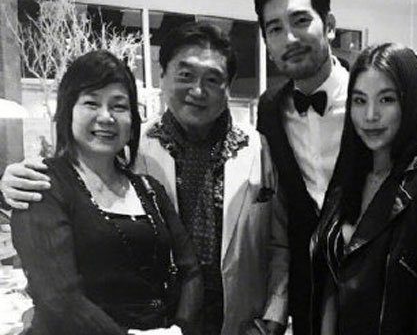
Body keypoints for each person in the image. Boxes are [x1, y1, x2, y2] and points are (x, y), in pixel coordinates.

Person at [3, 23, 288, 335]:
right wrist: (10, 183)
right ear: (162, 77)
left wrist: (273, 318)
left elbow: (280, 241)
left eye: (212, 79)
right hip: (153, 324)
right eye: (185, 75)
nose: (197, 90)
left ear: (228, 87)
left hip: (238, 324)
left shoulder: (260, 148)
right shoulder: (128, 148)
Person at [253, 0, 417, 334]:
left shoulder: (375, 92)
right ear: (266, 40)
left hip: (391, 298)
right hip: (313, 298)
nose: (290, 38)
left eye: (300, 21)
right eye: (275, 28)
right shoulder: (270, 109)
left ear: (329, 25)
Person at [11, 50, 202, 335]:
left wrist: (179, 329)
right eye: (91, 103)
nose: (106, 117)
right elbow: (59, 298)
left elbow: (191, 271)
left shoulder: (149, 188)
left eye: (119, 106)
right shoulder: (42, 185)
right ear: (67, 111)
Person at [311, 43, 417, 335]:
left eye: (386, 99)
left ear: (410, 103)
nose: (370, 115)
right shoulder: (348, 179)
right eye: (359, 101)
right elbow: (332, 280)